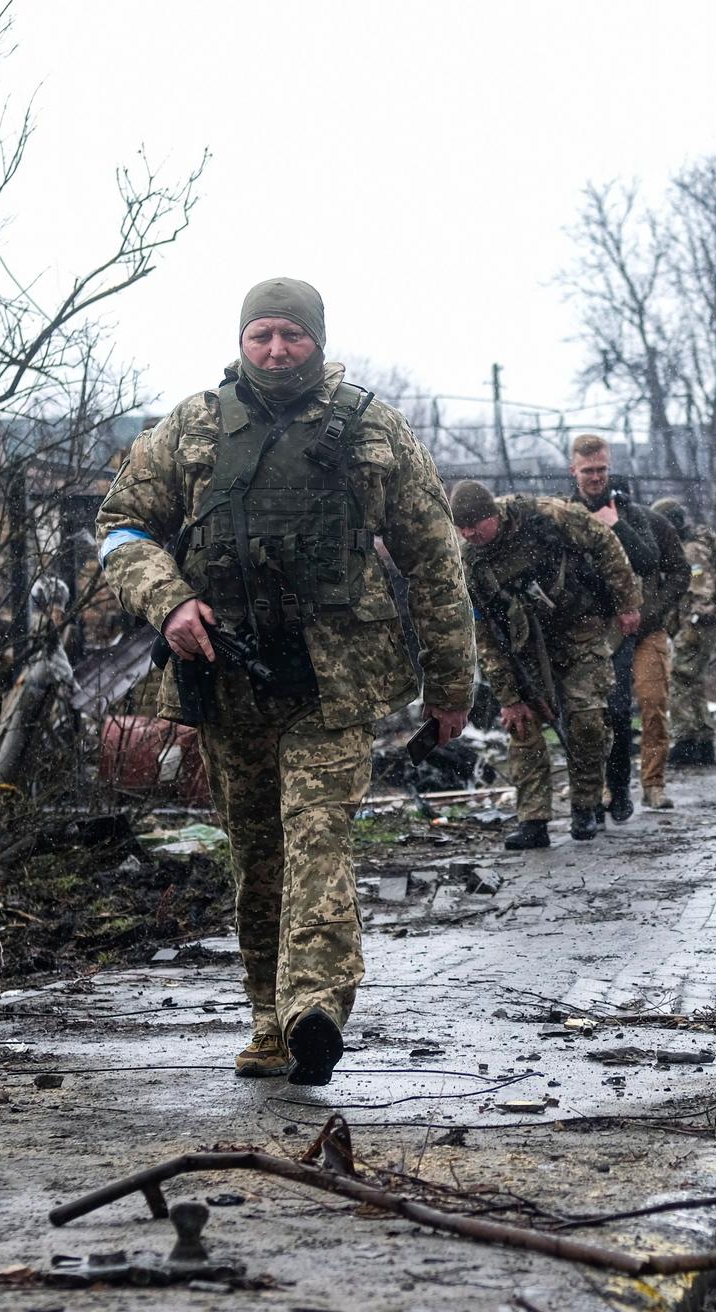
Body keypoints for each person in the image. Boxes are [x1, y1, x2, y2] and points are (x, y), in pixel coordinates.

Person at [95, 278, 474, 1085]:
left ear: (319, 339)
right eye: (261, 335)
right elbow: (120, 528)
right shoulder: (191, 427)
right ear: (240, 340)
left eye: (291, 336)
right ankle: (269, 1021)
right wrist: (169, 603)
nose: (275, 350)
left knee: (317, 835)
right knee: (257, 852)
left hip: (334, 679)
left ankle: (316, 1008)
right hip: (225, 676)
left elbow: (435, 561)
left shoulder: (373, 428)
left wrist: (452, 684)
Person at [453, 484, 638, 848]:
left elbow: (604, 541)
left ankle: (586, 805)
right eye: (462, 528)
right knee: (523, 727)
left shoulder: (545, 515)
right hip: (522, 649)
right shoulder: (468, 563)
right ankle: (533, 819)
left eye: (476, 525)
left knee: (587, 721)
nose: (470, 534)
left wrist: (626, 602)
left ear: (494, 515)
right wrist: (509, 697)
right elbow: (484, 637)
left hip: (579, 630)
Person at [567, 434, 688, 817]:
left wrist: (616, 525)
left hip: (645, 629)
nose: (595, 477)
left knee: (652, 705)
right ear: (574, 471)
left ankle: (653, 784)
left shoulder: (636, 515)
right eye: (588, 471)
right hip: (598, 631)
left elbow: (660, 565)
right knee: (608, 713)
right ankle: (610, 788)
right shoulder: (564, 516)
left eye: (601, 469)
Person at [656, 497, 716, 769]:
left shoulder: (692, 550)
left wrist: (692, 625)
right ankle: (702, 742)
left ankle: (687, 741)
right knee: (693, 681)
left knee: (680, 678)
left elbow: (701, 591)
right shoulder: (696, 544)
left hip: (697, 624)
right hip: (698, 623)